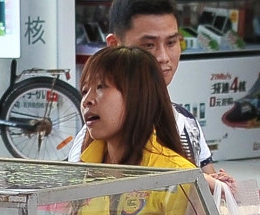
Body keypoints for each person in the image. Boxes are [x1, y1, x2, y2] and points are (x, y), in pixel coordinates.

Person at [68, 0, 233, 191]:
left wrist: (220, 187)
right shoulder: (91, 142)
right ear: (115, 46)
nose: (163, 56)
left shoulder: (186, 122)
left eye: (171, 42)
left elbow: (205, 200)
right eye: (148, 45)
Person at [68, 46, 204, 215]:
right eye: (84, 90)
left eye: (101, 87)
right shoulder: (85, 172)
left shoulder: (175, 176)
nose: (87, 101)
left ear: (137, 96)